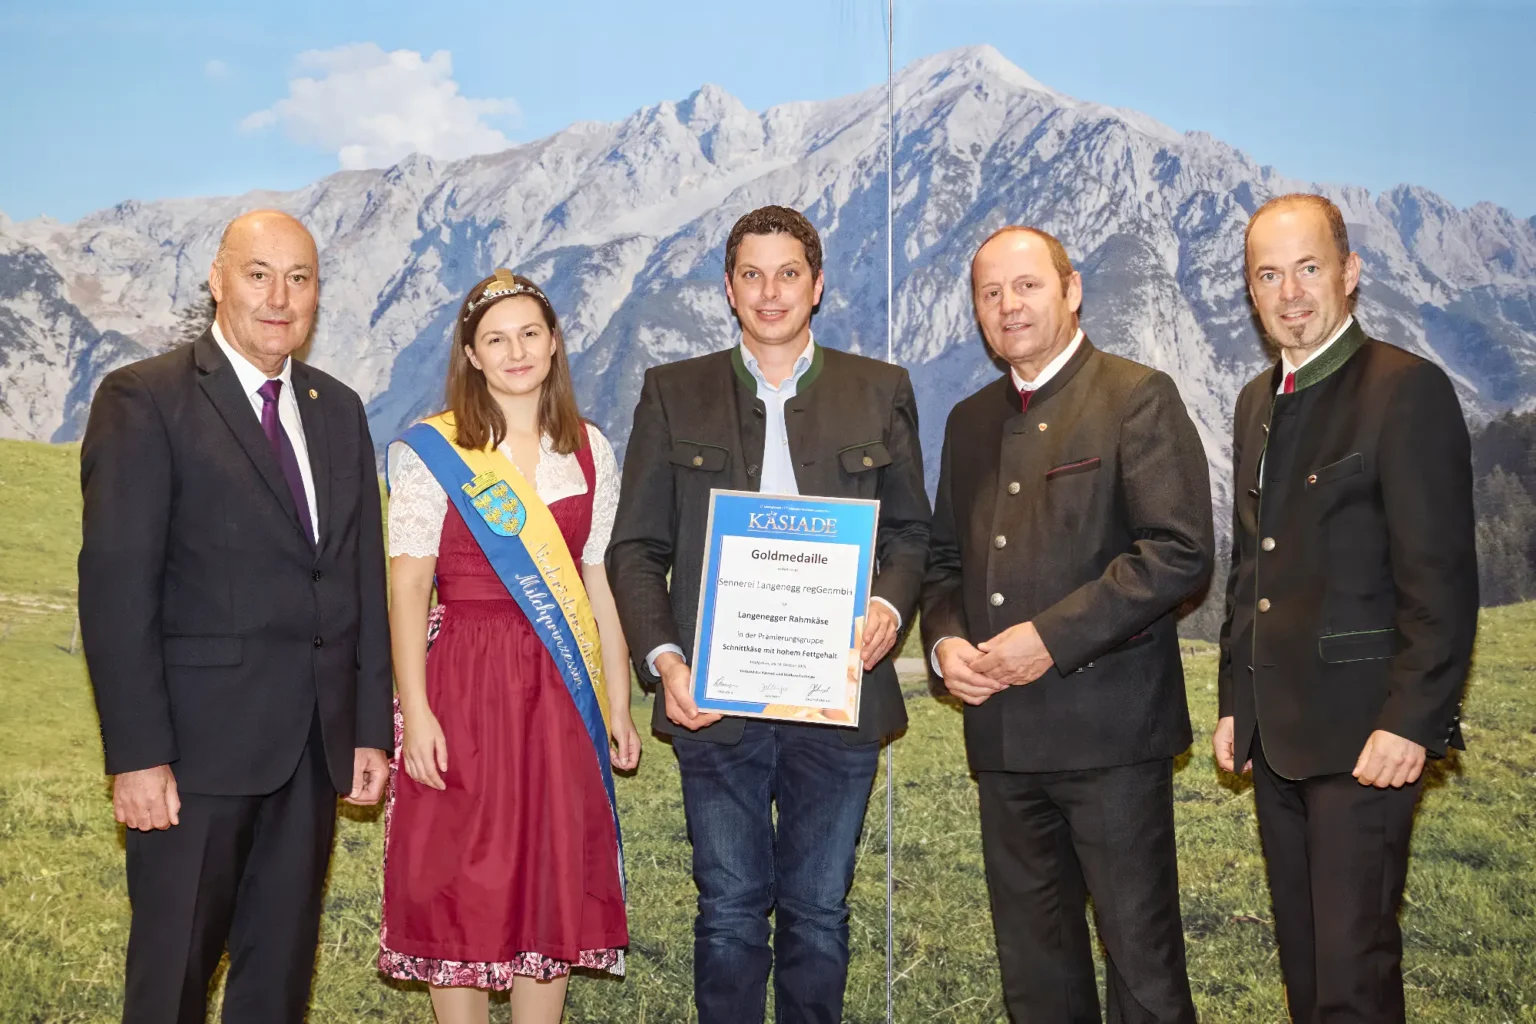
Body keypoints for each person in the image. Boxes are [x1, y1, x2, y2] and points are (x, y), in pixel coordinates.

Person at [606, 205, 930, 1024]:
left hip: (841, 693)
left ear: (816, 286)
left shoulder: (880, 387)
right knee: (728, 913)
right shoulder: (672, 392)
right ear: (728, 288)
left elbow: (912, 532)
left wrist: (889, 605)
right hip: (713, 702)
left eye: (788, 273)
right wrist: (666, 661)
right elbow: (635, 549)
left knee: (820, 914)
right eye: (752, 274)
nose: (770, 291)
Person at [78, 209, 393, 1023]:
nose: (280, 297)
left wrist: (366, 729)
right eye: (259, 274)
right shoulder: (144, 399)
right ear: (218, 280)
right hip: (192, 764)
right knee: (170, 984)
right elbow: (117, 589)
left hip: (311, 758)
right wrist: (138, 755)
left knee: (277, 987)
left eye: (300, 278)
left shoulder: (339, 409)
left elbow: (356, 575)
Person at [921, 226, 1213, 1023]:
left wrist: (1047, 639)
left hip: (1112, 740)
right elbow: (943, 563)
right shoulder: (970, 420)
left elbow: (1179, 552)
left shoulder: (1135, 395)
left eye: (1026, 286)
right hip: (1006, 744)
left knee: (1144, 977)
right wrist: (946, 643)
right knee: (1037, 980)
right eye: (990, 293)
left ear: (1071, 289)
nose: (1008, 306)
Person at [1214, 193, 1478, 1022]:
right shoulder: (1256, 400)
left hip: (1369, 740)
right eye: (1268, 275)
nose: (1290, 293)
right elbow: (1249, 567)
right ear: (1251, 293)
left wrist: (1413, 721)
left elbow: (1440, 581)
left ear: (1349, 273)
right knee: (1306, 968)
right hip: (1277, 736)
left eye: (1308, 268)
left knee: (1351, 979)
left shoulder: (1407, 389)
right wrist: (1234, 702)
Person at [377, 270, 639, 1024]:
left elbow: (597, 581)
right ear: (472, 353)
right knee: (455, 868)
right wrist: (416, 711)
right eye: (496, 338)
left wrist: (617, 702)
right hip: (462, 677)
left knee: (548, 867)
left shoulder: (589, 449)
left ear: (554, 343)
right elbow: (407, 586)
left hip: (560, 688)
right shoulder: (433, 448)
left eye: (530, 333)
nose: (516, 350)